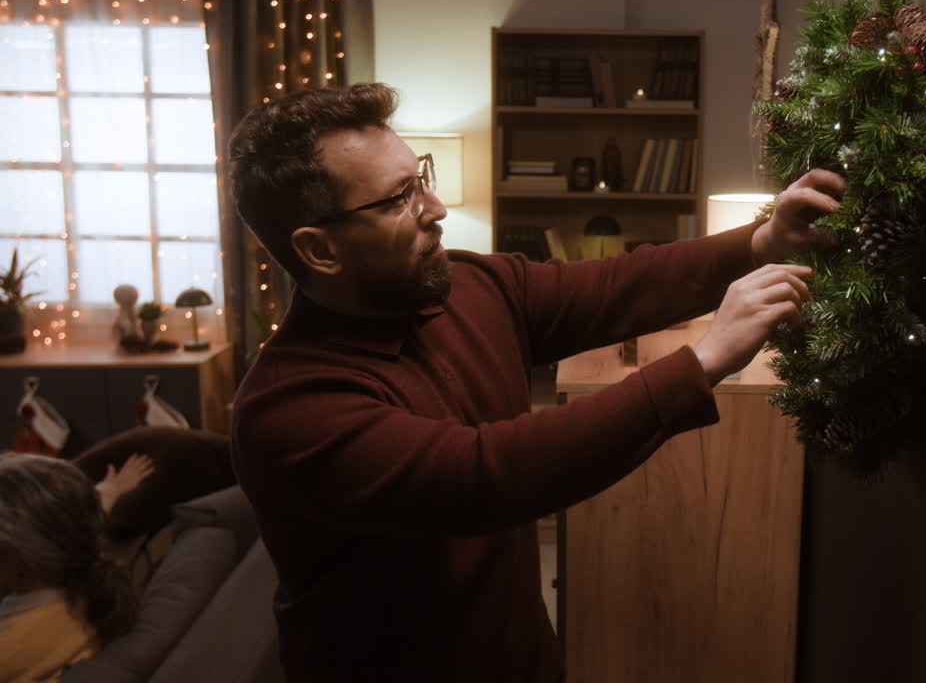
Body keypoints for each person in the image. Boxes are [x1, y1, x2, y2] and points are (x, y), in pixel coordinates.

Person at [228, 82, 844, 682]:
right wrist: (704, 361)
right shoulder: (289, 410)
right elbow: (487, 475)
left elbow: (612, 286)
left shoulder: (469, 286)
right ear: (319, 250)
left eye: (420, 178)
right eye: (395, 201)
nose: (435, 210)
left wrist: (762, 240)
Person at [0, 453, 147, 682]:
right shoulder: (85, 570)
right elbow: (72, 519)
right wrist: (110, 489)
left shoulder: (11, 650)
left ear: (19, 554)